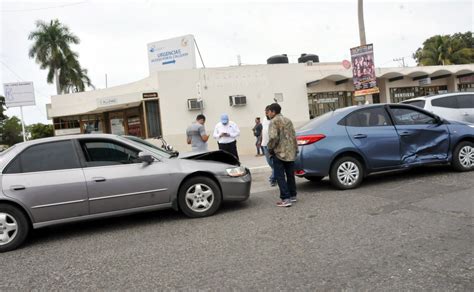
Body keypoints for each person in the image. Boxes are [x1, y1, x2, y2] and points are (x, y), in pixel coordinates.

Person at [267, 103, 298, 207]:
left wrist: (270, 148)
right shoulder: (288, 120)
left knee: (280, 176)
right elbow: (294, 136)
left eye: (269, 111)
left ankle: (285, 198)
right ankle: (293, 195)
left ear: (273, 112)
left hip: (279, 153)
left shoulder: (273, 121)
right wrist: (296, 149)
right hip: (290, 152)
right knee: (290, 175)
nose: (268, 113)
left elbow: (273, 137)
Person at [261, 105, 276, 187]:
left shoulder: (275, 120)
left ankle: (273, 179)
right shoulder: (264, 119)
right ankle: (276, 175)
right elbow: (263, 130)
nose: (266, 112)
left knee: (274, 163)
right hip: (264, 144)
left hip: (272, 145)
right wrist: (260, 139)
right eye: (265, 111)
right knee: (270, 163)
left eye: (268, 111)